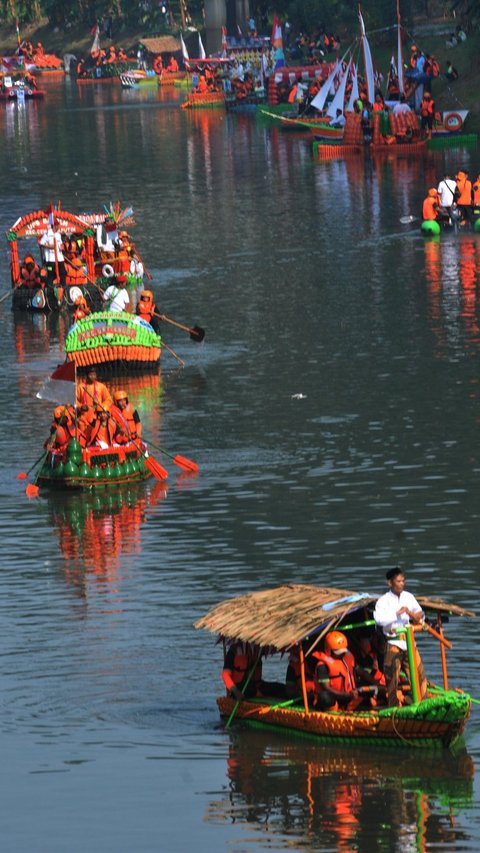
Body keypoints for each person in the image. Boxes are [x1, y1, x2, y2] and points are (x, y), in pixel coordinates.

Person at [373, 567, 427, 707]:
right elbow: (380, 620)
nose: (402, 584)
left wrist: (414, 615)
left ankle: (424, 704)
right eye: (398, 581)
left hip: (409, 642)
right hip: (394, 642)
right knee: (392, 678)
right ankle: (393, 707)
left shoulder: (408, 597)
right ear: (390, 583)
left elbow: (420, 613)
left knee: (419, 675)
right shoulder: (383, 601)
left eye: (403, 581)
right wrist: (398, 613)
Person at [313, 631, 365, 711]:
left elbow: (362, 672)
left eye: (343, 651)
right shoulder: (322, 665)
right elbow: (326, 688)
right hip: (335, 698)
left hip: (349, 695)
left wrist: (377, 684)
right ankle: (332, 711)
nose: (342, 654)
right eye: (338, 652)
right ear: (329, 650)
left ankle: (352, 706)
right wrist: (346, 695)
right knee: (325, 696)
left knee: (364, 686)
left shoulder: (348, 658)